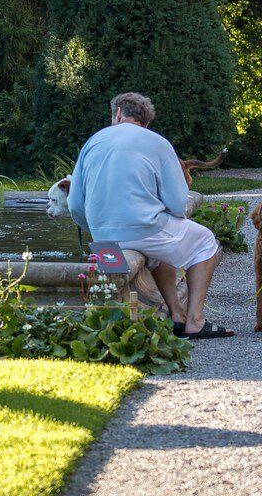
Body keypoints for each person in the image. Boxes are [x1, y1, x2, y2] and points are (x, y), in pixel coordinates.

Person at [70, 91, 232, 339]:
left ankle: (176, 315)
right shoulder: (157, 142)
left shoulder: (92, 142)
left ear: (118, 113)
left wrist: (97, 226)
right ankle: (195, 322)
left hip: (102, 237)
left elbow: (74, 205)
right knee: (206, 242)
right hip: (144, 229)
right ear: (146, 123)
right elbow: (178, 203)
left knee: (158, 252)